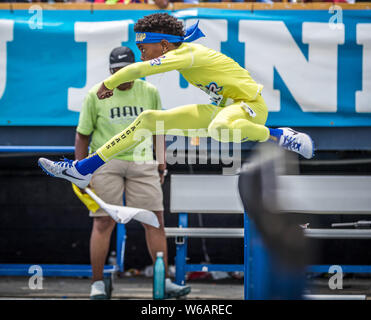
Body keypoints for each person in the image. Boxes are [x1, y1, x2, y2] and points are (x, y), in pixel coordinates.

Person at [38, 12, 314, 191]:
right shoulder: (179, 54)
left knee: (219, 128)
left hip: (250, 108)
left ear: (165, 45)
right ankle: (84, 169)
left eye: (144, 45)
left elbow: (138, 70)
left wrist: (107, 85)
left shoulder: (188, 54)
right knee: (148, 120)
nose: (140, 50)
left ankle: (280, 135)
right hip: (224, 111)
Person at [71, 46, 190, 299]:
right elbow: (82, 135)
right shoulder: (96, 94)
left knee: (155, 219)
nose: (122, 75)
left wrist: (161, 161)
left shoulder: (149, 92)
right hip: (105, 162)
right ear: (110, 71)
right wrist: (80, 169)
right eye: (117, 71)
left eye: (127, 70)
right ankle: (97, 284)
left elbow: (159, 128)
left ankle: (164, 281)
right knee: (103, 220)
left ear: (136, 69)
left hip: (142, 160)